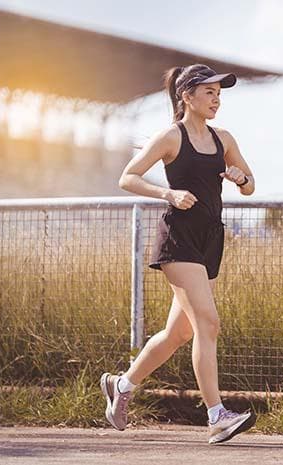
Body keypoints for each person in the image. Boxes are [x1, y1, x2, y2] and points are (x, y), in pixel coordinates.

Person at [101, 64, 256, 445]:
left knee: (178, 333)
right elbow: (128, 177)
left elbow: (251, 185)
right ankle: (217, 415)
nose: (217, 99)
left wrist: (240, 179)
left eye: (219, 93)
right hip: (179, 238)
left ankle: (122, 384)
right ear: (187, 96)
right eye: (209, 92)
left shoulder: (224, 138)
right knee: (209, 323)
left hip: (209, 239)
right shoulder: (171, 137)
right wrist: (168, 194)